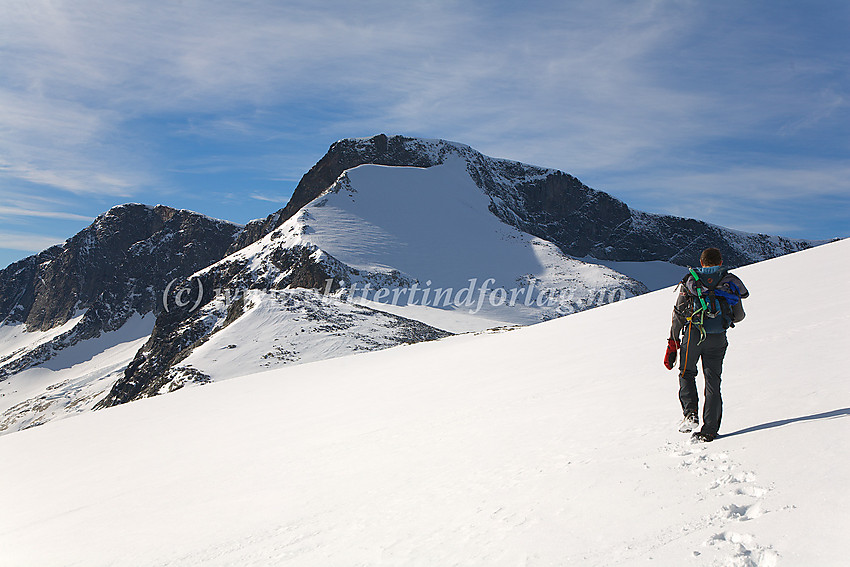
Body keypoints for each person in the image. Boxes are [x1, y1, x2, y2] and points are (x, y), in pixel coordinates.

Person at [664, 247, 748, 442]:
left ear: (701, 263)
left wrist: (673, 342)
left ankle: (690, 413)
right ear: (720, 262)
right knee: (713, 383)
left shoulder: (691, 281)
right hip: (718, 338)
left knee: (686, 373)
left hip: (693, 335)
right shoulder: (729, 281)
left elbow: (678, 315)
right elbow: (740, 316)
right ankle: (709, 429)